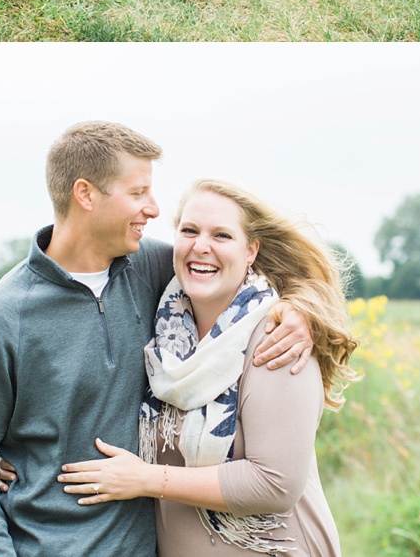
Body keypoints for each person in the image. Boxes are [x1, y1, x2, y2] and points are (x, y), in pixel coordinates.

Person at [0, 119, 317, 557]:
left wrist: (300, 308)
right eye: (137, 193)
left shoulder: (153, 268)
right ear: (86, 195)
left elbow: (265, 270)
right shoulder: (1, 320)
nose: (154, 210)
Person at [55, 175, 353, 557]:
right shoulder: (162, 331)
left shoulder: (277, 337)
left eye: (222, 236)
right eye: (190, 230)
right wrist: (22, 456)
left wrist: (148, 480)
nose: (201, 247)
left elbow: (275, 484)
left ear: (251, 251)